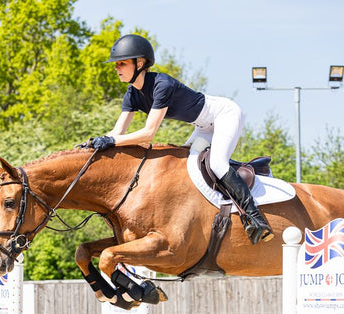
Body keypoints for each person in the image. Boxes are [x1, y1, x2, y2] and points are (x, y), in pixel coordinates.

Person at [82, 34, 273, 244]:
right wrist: (94, 145)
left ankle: (255, 217)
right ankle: (235, 181)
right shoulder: (132, 94)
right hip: (203, 126)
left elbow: (148, 133)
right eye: (116, 64)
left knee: (217, 163)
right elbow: (116, 133)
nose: (116, 68)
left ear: (140, 63)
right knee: (186, 165)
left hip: (224, 115)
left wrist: (112, 142)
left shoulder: (161, 84)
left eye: (122, 63)